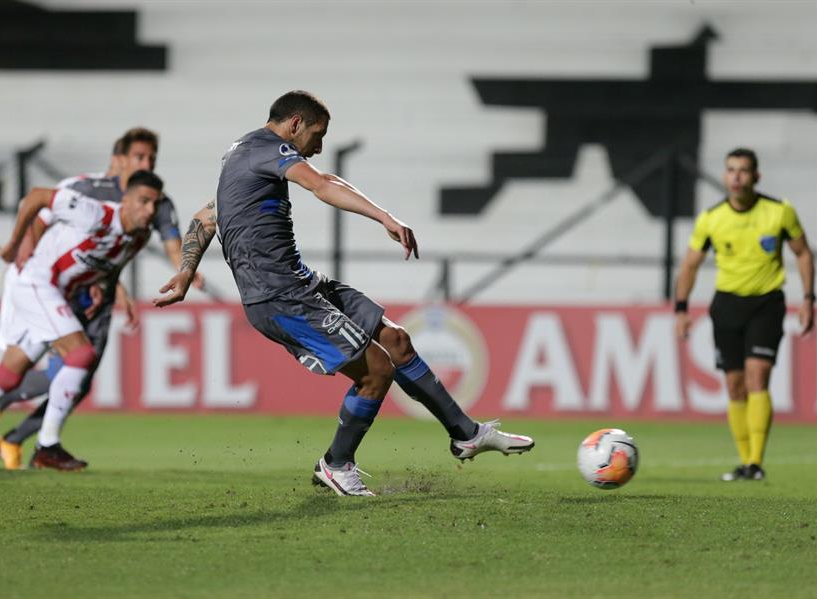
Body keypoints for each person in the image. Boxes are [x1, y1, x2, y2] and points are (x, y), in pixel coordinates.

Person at [154, 90, 534, 496]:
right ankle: (336, 464)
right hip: (279, 296)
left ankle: (466, 434)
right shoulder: (263, 148)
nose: (319, 147)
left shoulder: (245, 156)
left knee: (396, 341)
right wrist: (385, 218)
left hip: (300, 282)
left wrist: (184, 271)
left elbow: (207, 216)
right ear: (295, 124)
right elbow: (319, 185)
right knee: (377, 370)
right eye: (318, 135)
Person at [0, 128, 205, 470]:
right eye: (139, 156)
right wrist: (26, 253)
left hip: (99, 297)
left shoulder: (157, 201)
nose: (146, 162)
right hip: (61, 288)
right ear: (118, 159)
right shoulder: (88, 189)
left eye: (151, 157)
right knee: (69, 368)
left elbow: (166, 245)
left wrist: (185, 268)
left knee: (79, 380)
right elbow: (42, 216)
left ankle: (13, 436)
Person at [0, 170, 165, 470]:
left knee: (9, 376)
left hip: (55, 292)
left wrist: (100, 286)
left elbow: (104, 263)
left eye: (155, 204)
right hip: (36, 282)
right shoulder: (96, 214)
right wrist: (17, 243)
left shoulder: (139, 237)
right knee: (81, 354)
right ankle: (47, 444)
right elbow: (38, 196)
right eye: (143, 201)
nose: (150, 210)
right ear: (125, 200)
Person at [675, 147, 815, 481]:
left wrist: (809, 298)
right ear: (725, 176)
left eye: (743, 170)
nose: (736, 177)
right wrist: (680, 309)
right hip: (727, 306)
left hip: (766, 303)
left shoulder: (779, 212)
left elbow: (803, 253)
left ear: (756, 176)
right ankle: (744, 463)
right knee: (735, 386)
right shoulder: (711, 218)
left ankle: (755, 462)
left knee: (757, 377)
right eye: (731, 170)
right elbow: (690, 264)